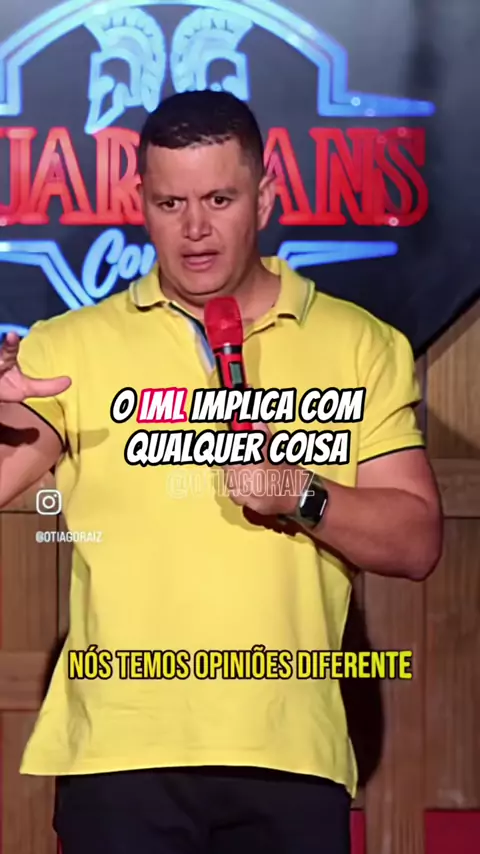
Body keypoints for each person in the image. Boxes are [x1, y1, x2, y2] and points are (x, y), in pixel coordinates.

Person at [0, 90, 442, 854]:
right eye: (171, 203)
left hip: (289, 755)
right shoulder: (68, 348)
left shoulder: (360, 344)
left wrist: (300, 492)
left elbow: (416, 541)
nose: (195, 228)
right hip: (120, 759)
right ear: (141, 203)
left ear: (264, 197)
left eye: (219, 199)